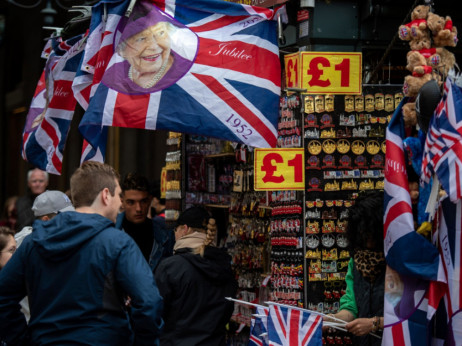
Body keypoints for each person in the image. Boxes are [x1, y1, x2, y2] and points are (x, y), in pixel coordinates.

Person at [0, 161, 163, 345]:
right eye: (119, 196)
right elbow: (149, 301)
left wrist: (23, 340)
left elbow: (3, 297)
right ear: (106, 195)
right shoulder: (117, 242)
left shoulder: (33, 243)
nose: (121, 204)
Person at [154, 206, 237, 346]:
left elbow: (156, 311)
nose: (174, 235)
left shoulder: (171, 267)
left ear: (184, 229)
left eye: (175, 230)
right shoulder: (224, 266)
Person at [324, 190, 385, 346]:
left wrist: (375, 323)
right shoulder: (356, 262)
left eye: (370, 233)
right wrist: (331, 320)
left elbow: (412, 316)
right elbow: (350, 309)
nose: (366, 240)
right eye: (362, 233)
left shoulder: (400, 262)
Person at [101, 0, 197, 94]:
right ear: (121, 50)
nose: (154, 46)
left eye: (160, 33)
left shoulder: (190, 77)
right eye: (141, 39)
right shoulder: (111, 74)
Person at [116, 172, 174, 272]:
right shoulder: (110, 233)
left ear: (150, 200)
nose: (138, 209)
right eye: (131, 202)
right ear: (122, 202)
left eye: (143, 201)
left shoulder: (164, 235)